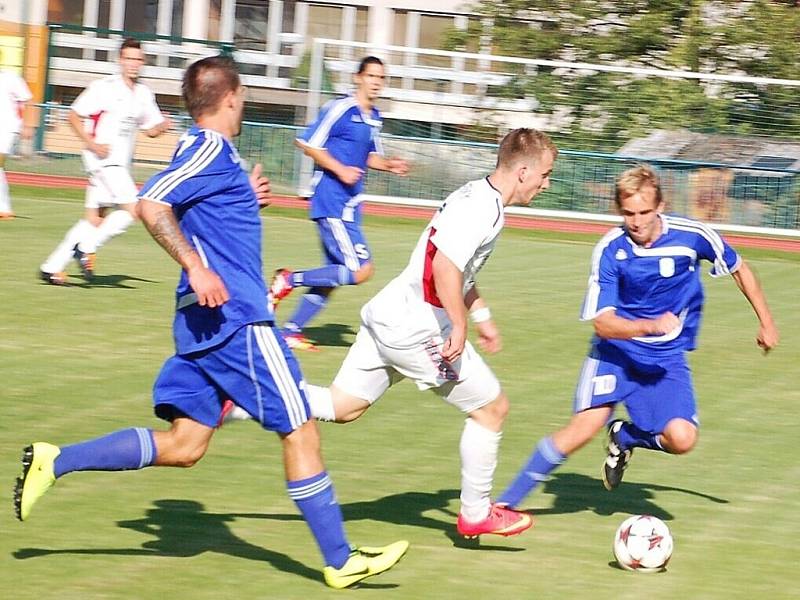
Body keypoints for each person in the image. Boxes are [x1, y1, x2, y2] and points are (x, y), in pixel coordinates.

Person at [14, 55, 407, 589]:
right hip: (236, 322)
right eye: (242, 96)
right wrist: (196, 267)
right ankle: (340, 560)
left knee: (185, 446)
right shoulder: (207, 148)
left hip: (203, 328)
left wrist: (247, 200)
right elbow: (152, 203)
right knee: (300, 427)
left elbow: (201, 214)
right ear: (230, 98)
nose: (243, 103)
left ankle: (55, 461)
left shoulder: (215, 157)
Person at [300, 128, 557, 539]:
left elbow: (456, 267)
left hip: (390, 312)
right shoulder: (484, 210)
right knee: (492, 409)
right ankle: (476, 513)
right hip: (417, 328)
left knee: (342, 405)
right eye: (545, 175)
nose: (546, 184)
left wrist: (482, 315)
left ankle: (242, 397)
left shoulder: (474, 194)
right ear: (523, 171)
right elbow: (444, 269)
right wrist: (459, 324)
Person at [497, 164, 780, 509]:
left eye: (645, 212)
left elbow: (739, 268)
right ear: (620, 211)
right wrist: (648, 326)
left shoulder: (693, 236)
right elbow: (602, 324)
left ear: (660, 206)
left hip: (664, 361)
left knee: (682, 439)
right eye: (629, 213)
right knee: (580, 433)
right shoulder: (610, 250)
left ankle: (625, 436)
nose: (637, 221)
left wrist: (766, 322)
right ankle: (503, 507)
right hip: (615, 356)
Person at [269, 55, 409, 351]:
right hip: (331, 200)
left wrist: (389, 164)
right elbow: (306, 143)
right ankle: (288, 279)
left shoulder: (374, 118)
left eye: (381, 78)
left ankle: (290, 332)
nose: (376, 82)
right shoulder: (340, 108)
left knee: (334, 274)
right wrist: (340, 169)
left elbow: (368, 156)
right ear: (358, 77)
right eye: (371, 76)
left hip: (351, 205)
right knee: (361, 270)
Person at [39, 37, 171, 285]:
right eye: (129, 58)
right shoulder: (104, 87)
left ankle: (51, 267)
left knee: (95, 219)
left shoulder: (143, 93)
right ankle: (87, 247)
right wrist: (92, 144)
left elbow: (150, 129)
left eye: (138, 59)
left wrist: (163, 126)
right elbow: (74, 115)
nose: (133, 63)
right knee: (135, 210)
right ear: (120, 60)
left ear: (143, 63)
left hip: (119, 164)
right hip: (103, 160)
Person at [0, 57, 33, 220]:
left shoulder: (11, 78)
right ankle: (4, 208)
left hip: (7, 128)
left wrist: (27, 125)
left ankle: (4, 208)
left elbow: (26, 99)